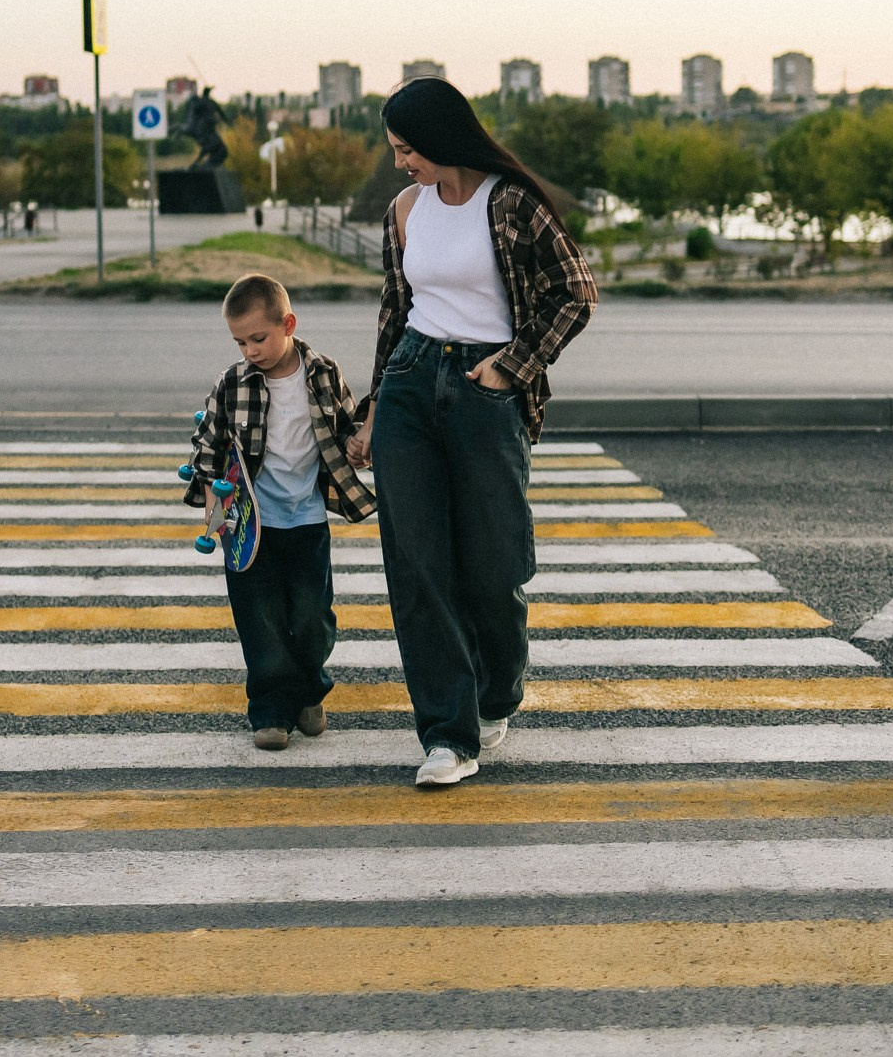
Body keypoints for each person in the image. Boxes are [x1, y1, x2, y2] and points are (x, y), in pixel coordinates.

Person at [346, 77, 597, 786]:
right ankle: (447, 737)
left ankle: (496, 692)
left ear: (440, 139)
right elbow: (394, 315)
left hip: (486, 392)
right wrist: (371, 408)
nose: (401, 164)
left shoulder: (511, 202)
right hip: (410, 382)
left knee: (493, 566)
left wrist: (510, 368)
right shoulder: (404, 210)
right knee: (418, 567)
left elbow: (576, 293)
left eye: (407, 150)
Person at [185, 273, 376, 749]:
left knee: (312, 616)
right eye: (240, 341)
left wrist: (360, 445)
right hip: (252, 525)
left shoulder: (324, 372)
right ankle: (270, 711)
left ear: (288, 323)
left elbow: (349, 424)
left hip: (307, 519)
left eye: (258, 338)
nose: (249, 350)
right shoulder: (232, 383)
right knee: (260, 617)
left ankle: (309, 691)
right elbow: (207, 446)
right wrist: (213, 500)